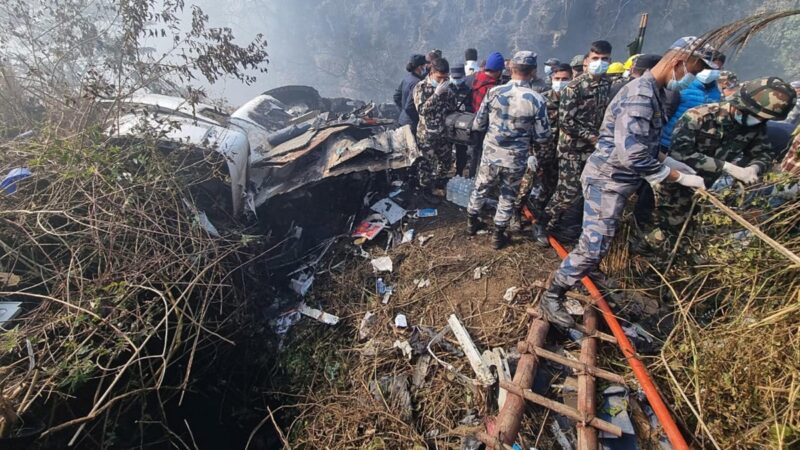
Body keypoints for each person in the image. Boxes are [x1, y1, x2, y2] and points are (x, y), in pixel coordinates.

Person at [540, 37, 715, 328]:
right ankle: (553, 294)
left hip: (617, 179)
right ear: (677, 63)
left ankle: (588, 270)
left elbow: (646, 145)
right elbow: (633, 154)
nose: (691, 79)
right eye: (692, 72)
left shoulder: (654, 92)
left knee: (595, 239)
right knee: (595, 244)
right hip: (607, 180)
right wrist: (677, 176)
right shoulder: (641, 97)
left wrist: (674, 164)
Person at [656, 77, 796, 229]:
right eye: (756, 116)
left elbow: (763, 153)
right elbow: (680, 154)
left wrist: (754, 167)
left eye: (762, 119)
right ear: (740, 106)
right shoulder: (699, 116)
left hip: (705, 192)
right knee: (658, 231)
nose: (758, 121)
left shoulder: (755, 128)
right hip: (672, 187)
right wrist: (727, 167)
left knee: (687, 233)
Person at [468, 51, 551, 249]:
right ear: (533, 71)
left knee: (481, 187)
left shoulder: (493, 92)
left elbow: (478, 124)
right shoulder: (537, 100)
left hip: (491, 154)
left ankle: (471, 223)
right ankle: (498, 236)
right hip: (516, 158)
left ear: (511, 69)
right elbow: (543, 136)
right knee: (507, 194)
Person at [534, 40, 614, 245]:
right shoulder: (574, 88)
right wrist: (593, 137)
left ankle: (567, 226)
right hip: (571, 150)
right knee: (567, 192)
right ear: (587, 60)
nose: (600, 62)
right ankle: (541, 223)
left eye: (604, 59)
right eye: (596, 58)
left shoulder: (607, 85)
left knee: (586, 191)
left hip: (593, 150)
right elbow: (566, 122)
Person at [513, 63, 573, 234]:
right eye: (557, 79)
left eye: (565, 79)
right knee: (525, 186)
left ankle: (543, 219)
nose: (561, 82)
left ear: (572, 79)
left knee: (551, 187)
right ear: (551, 79)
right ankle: (515, 212)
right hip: (539, 152)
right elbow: (527, 128)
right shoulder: (541, 100)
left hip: (562, 154)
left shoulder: (574, 101)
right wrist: (530, 153)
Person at [413, 57, 457, 202]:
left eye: (445, 77)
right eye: (439, 77)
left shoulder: (446, 87)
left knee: (445, 162)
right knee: (426, 165)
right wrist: (436, 95)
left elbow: (452, 108)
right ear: (432, 72)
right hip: (427, 135)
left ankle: (441, 186)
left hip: (443, 133)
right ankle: (427, 192)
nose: (442, 81)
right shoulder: (421, 87)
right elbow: (422, 110)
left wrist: (449, 93)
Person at [660, 49, 722, 151]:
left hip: (686, 147)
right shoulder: (682, 84)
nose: (709, 71)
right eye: (705, 67)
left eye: (714, 68)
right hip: (664, 141)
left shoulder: (716, 94)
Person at [469, 52, 505, 177]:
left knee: (474, 154)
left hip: (472, 122)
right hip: (485, 127)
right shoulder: (493, 89)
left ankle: (471, 176)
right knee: (482, 156)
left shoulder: (476, 78)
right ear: (499, 70)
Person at [393, 54, 427, 134]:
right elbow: (410, 106)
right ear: (419, 67)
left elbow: (396, 97)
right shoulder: (417, 83)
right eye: (424, 65)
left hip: (402, 120)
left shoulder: (407, 78)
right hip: (412, 124)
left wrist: (403, 111)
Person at [450, 65, 473, 176]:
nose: (456, 80)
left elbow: (472, 108)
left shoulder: (468, 90)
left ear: (463, 77)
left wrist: (465, 108)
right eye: (454, 78)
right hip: (448, 124)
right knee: (445, 150)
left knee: (461, 151)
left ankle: (459, 172)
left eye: (458, 78)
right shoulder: (447, 88)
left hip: (460, 127)